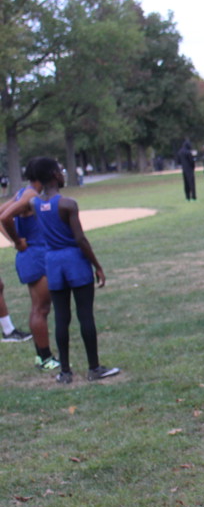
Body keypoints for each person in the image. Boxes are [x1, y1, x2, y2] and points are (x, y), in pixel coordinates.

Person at [28, 157, 119, 383]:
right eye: (60, 170)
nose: (63, 173)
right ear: (54, 175)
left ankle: (65, 371)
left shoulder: (34, 204)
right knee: (85, 314)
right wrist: (97, 265)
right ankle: (94, 368)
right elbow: (80, 239)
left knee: (61, 317)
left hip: (52, 262)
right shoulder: (67, 204)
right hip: (74, 261)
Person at [0, 160, 57, 367]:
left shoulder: (23, 192)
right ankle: (45, 358)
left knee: (39, 308)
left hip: (31, 255)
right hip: (36, 255)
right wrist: (17, 241)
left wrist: (15, 240)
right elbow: (5, 216)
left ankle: (42, 357)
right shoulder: (30, 196)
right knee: (41, 308)